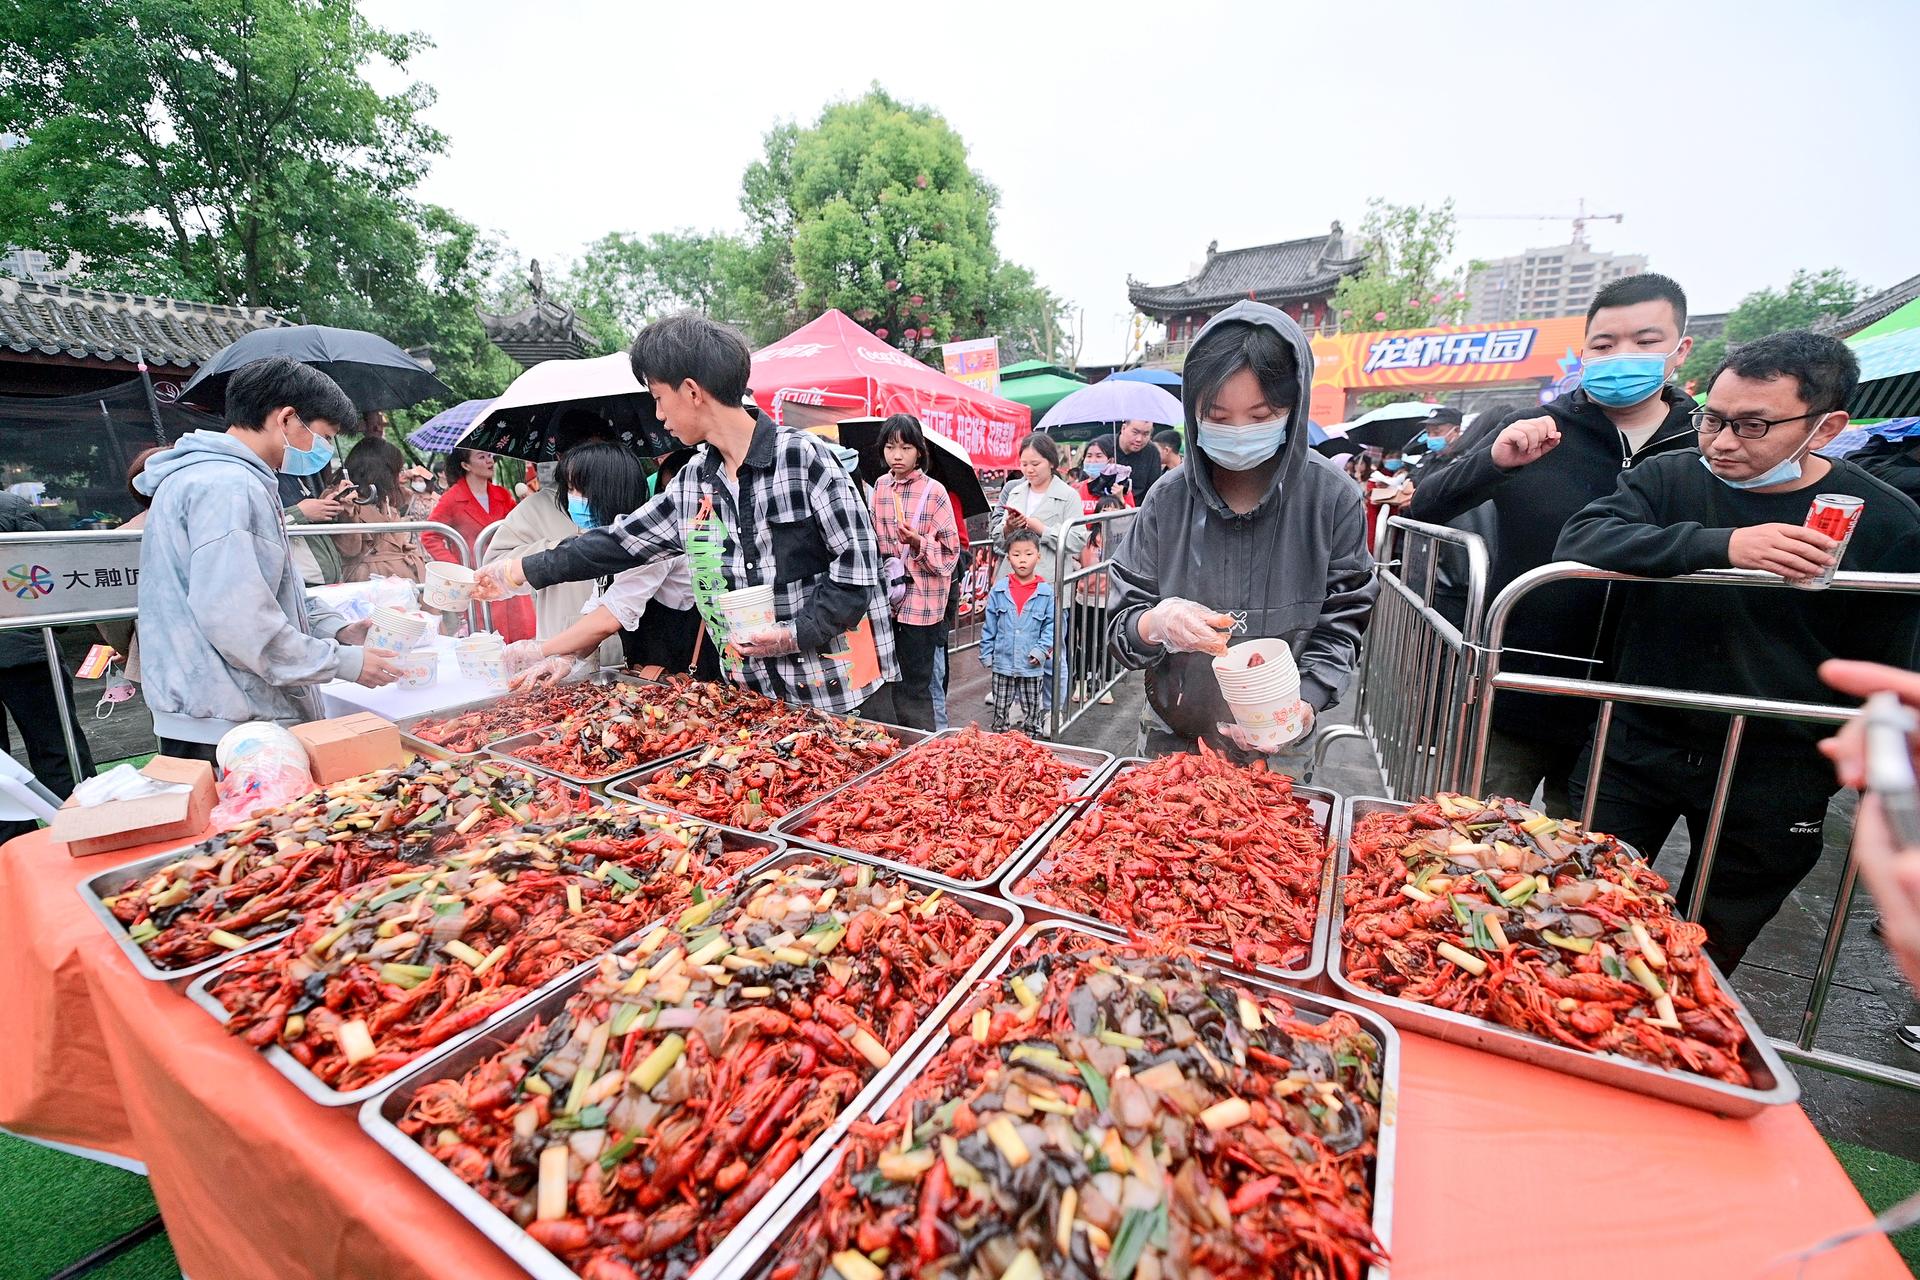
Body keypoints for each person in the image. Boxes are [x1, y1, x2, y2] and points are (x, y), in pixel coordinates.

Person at [1556, 330, 1920, 969]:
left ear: (1826, 427)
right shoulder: (1670, 477)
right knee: (1577, 910)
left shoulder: (1886, 520)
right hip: (1638, 736)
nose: (1722, 443)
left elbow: (1888, 666)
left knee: (1709, 943)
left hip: (1774, 763)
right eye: (1712, 419)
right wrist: (1721, 547)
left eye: (1753, 426)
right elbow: (1584, 538)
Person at [475, 312, 897, 714]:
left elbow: (858, 576)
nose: (659, 415)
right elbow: (619, 543)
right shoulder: (694, 480)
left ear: (692, 392)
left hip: (838, 693)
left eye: (659, 398)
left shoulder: (806, 461)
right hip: (753, 696)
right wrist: (518, 572)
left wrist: (792, 635)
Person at [1407, 272, 1700, 815]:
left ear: (1679, 350)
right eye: (1605, 344)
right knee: (1475, 835)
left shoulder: (1703, 445)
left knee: (1592, 862)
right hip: (1520, 682)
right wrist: (1492, 462)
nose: (1623, 355)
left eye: (1646, 341)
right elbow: (1424, 504)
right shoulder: (1536, 426)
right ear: (1583, 352)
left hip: (1636, 705)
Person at [1108, 299, 1377, 759]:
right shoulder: (1167, 500)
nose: (1237, 431)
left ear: (1293, 408)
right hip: (1176, 739)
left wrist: (1307, 701)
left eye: (1259, 416)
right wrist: (1157, 623)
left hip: (1283, 742)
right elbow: (1121, 626)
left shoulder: (1332, 498)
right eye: (1216, 415)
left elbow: (1343, 620)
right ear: (1193, 411)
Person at [132, 357, 397, 761]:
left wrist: (338, 630)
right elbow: (241, 621)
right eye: (323, 436)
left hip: (214, 707)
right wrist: (344, 662)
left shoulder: (216, 478)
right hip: (227, 719)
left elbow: (268, 588)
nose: (322, 451)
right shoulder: (229, 486)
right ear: (287, 419)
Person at [507, 445, 720, 685]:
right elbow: (597, 607)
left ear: (607, 490)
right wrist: (566, 657)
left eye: (577, 489)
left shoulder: (649, 540)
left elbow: (609, 618)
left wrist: (540, 650)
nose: (571, 499)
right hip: (650, 678)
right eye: (569, 489)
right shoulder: (613, 544)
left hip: (690, 680)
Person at [485, 407, 622, 667]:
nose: (591, 466)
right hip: (562, 647)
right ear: (561, 458)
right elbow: (494, 567)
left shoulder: (626, 500)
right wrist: (559, 552)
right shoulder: (537, 508)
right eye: (581, 456)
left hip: (628, 650)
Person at [0, 490, 97, 837]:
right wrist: (56, 623)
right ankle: (87, 834)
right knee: (58, 750)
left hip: (23, 645)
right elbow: (47, 570)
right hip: (25, 646)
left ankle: (14, 852)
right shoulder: (9, 506)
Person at [865, 414, 960, 730]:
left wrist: (918, 542)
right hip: (888, 601)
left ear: (919, 451)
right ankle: (896, 746)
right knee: (886, 679)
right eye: (891, 447)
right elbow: (873, 541)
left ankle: (922, 746)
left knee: (916, 684)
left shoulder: (935, 492)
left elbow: (949, 556)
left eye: (905, 448)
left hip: (922, 605)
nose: (897, 455)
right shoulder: (879, 487)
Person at [990, 433, 1086, 712]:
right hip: (1013, 586)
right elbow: (998, 540)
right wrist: (1009, 528)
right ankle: (1023, 707)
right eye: (1024, 464)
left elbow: (1078, 540)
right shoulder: (1016, 491)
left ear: (1051, 463)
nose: (1029, 470)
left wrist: (1039, 527)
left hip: (1049, 586)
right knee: (1014, 649)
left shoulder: (1067, 496)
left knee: (1052, 652)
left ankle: (1052, 710)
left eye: (1036, 463)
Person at [425, 446, 535, 641]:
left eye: (490, 456)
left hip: (505, 573)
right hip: (477, 578)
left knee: (523, 633)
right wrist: (458, 567)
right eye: (482, 456)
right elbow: (430, 535)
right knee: (487, 637)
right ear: (466, 464)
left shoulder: (502, 494)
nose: (489, 461)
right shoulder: (451, 498)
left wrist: (527, 506)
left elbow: (519, 528)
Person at [979, 530, 1054, 733]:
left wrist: (1041, 651)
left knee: (1032, 713)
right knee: (1000, 713)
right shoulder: (999, 590)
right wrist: (986, 654)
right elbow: (989, 626)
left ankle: (1032, 747)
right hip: (1002, 663)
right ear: (1008, 557)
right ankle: (999, 751)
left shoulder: (1046, 592)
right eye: (1016, 554)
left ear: (1038, 557)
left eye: (1028, 554)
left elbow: (1050, 627)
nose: (1022, 560)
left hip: (1032, 665)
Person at [335, 438, 428, 582]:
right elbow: (349, 549)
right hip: (371, 579)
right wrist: (349, 514)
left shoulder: (383, 498)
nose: (398, 477)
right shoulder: (342, 496)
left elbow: (406, 496)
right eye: (396, 471)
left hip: (398, 576)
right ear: (382, 471)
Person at [1073, 435, 1135, 514]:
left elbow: (1132, 518)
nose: (1093, 460)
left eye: (1099, 456)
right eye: (1089, 456)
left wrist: (1120, 499)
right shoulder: (1077, 489)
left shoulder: (1120, 489)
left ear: (1111, 461)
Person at [1114, 418, 1165, 499]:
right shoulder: (1103, 447)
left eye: (1146, 434)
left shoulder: (1152, 452)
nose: (1139, 439)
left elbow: (1154, 489)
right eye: (1135, 432)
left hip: (1139, 507)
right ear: (1123, 428)